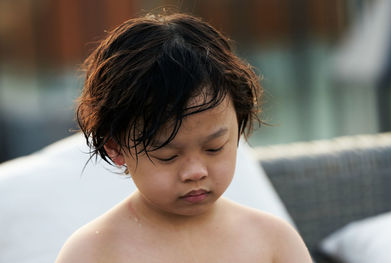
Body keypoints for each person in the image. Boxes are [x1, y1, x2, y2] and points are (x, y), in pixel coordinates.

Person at [56, 12, 312, 263]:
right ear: (115, 147)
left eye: (214, 148)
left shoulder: (272, 240)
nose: (195, 172)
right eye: (168, 156)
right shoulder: (93, 252)